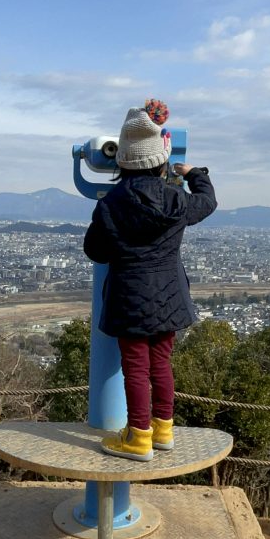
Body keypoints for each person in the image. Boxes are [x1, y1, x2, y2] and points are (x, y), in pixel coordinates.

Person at [83, 99, 217, 461]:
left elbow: (95, 251)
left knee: (136, 368)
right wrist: (193, 174)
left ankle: (138, 437)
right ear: (161, 159)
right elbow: (207, 202)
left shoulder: (111, 203)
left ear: (122, 160)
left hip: (130, 299)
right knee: (160, 362)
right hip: (170, 297)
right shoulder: (176, 199)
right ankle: (163, 430)